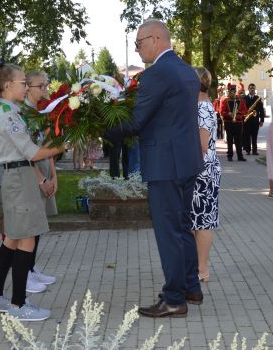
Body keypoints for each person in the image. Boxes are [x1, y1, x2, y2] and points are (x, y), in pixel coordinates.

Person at [105, 19, 204, 318]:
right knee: (184, 227)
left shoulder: (156, 74)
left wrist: (103, 126)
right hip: (186, 161)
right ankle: (190, 287)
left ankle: (174, 298)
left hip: (165, 165)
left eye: (139, 42)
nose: (137, 49)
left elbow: (136, 122)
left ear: (157, 38)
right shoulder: (187, 70)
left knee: (168, 232)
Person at [0, 62, 65, 321]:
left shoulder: (11, 110)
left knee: (13, 240)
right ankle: (19, 305)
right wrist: (63, 145)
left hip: (20, 176)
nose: (26, 86)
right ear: (8, 86)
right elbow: (32, 153)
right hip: (19, 178)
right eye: (22, 83)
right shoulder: (7, 114)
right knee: (26, 238)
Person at [24, 70, 58, 292]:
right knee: (28, 227)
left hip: (44, 171)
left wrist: (54, 175)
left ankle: (31, 268)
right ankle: (24, 273)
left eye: (46, 85)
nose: (45, 90)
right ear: (27, 87)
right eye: (41, 86)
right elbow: (25, 153)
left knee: (38, 226)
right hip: (30, 175)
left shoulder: (41, 112)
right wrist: (41, 179)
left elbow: (48, 146)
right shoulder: (23, 114)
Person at [191, 67, 221, 284]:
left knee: (202, 222)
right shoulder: (204, 106)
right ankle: (198, 267)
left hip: (202, 172)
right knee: (199, 221)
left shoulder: (201, 108)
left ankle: (202, 269)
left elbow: (201, 145)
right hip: (204, 170)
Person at [220, 83, 248, 161]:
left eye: (234, 91)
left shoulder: (240, 100)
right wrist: (228, 113)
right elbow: (221, 111)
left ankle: (240, 156)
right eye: (231, 92)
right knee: (229, 139)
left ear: (235, 91)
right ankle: (230, 155)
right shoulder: (224, 100)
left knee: (238, 140)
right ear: (229, 92)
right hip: (228, 122)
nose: (232, 93)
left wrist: (238, 114)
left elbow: (245, 111)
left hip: (238, 122)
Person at [243, 83, 265, 156]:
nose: (252, 89)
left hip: (255, 121)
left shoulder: (258, 98)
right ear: (248, 89)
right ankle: (248, 150)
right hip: (246, 120)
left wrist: (262, 120)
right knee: (247, 136)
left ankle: (254, 151)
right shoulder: (244, 98)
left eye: (253, 88)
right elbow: (242, 109)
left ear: (255, 89)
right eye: (251, 88)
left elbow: (261, 110)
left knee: (254, 136)